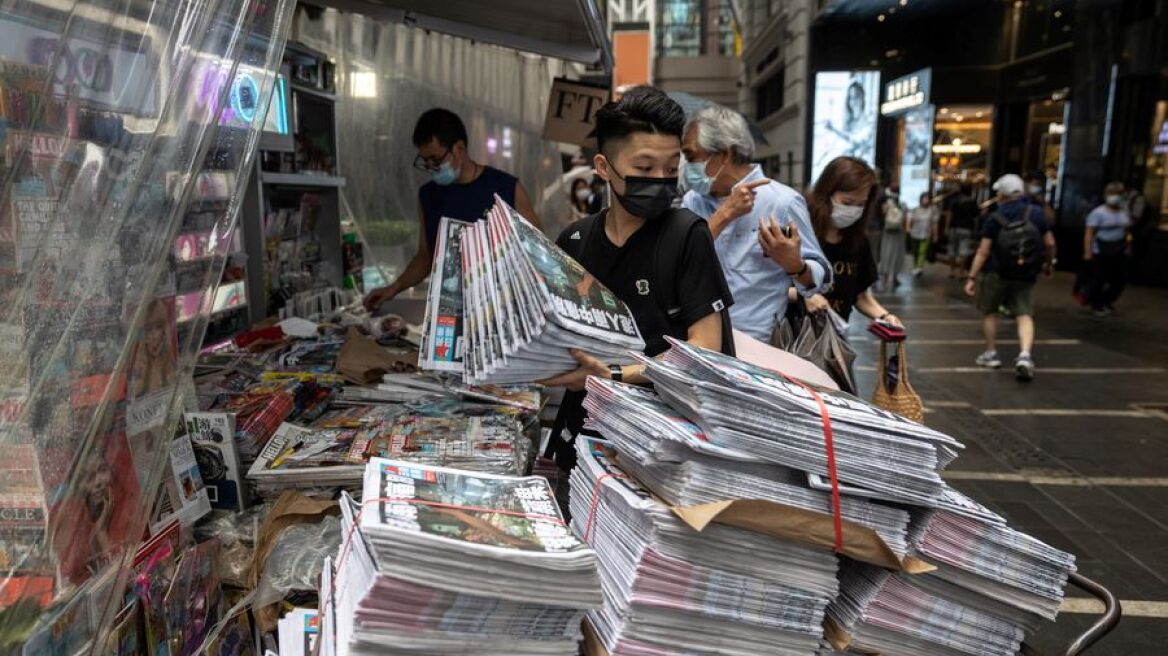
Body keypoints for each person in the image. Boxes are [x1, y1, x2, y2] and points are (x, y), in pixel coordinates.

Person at [540, 87, 739, 470]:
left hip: (662, 442)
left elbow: (706, 349)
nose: (661, 181)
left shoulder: (686, 235)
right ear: (603, 166)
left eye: (670, 168)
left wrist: (616, 374)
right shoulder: (574, 241)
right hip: (582, 433)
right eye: (645, 169)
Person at [363, 108, 541, 311]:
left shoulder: (505, 189)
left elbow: (538, 251)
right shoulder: (428, 197)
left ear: (459, 148)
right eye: (425, 161)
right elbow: (426, 256)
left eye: (436, 159)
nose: (430, 167)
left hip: (504, 305)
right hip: (452, 307)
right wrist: (395, 287)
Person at [679, 105, 830, 341]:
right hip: (699, 339)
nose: (685, 166)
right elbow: (679, 260)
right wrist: (724, 215)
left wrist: (796, 266)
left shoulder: (781, 202)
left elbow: (820, 276)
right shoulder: (692, 201)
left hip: (758, 346)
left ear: (723, 155)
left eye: (690, 156)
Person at [964, 173, 1057, 381]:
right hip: (1025, 272)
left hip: (996, 271)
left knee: (990, 312)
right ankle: (1025, 355)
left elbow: (983, 250)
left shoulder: (995, 217)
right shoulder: (1036, 213)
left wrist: (971, 276)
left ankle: (991, 353)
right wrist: (1048, 264)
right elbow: (1049, 243)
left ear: (1003, 194)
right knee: (1024, 313)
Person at [800, 156, 902, 329]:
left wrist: (885, 316)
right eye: (847, 202)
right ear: (827, 193)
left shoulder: (858, 242)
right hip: (792, 338)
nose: (853, 210)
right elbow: (769, 284)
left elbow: (860, 295)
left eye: (861, 204)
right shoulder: (797, 229)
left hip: (833, 340)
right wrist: (805, 295)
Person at [1083, 181, 1132, 317]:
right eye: (1113, 194)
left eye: (1119, 194)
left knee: (1119, 280)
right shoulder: (1098, 213)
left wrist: (1128, 246)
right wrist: (1088, 252)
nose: (1115, 197)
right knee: (1099, 278)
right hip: (1101, 250)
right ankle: (1097, 304)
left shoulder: (1124, 213)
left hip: (1119, 250)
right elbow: (1089, 233)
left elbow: (1127, 231)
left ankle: (1107, 300)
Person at [944, 183, 980, 279]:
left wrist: (946, 228)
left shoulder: (954, 201)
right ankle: (961, 271)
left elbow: (949, 215)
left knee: (952, 249)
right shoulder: (972, 203)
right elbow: (976, 219)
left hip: (953, 228)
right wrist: (975, 231)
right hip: (966, 229)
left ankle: (952, 271)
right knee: (964, 251)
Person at [878, 185, 907, 289]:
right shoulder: (902, 205)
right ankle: (893, 277)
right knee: (894, 255)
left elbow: (882, 215)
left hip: (889, 232)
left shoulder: (887, 203)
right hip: (896, 233)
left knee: (887, 254)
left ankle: (886, 278)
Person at [907, 192, 939, 277]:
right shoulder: (915, 209)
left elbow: (934, 223)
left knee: (922, 251)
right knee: (915, 251)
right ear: (921, 199)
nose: (926, 200)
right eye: (924, 198)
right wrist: (908, 228)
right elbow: (910, 219)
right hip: (915, 233)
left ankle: (919, 267)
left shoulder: (933, 210)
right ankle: (915, 266)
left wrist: (935, 234)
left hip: (926, 233)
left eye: (928, 198)